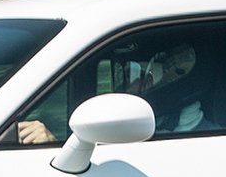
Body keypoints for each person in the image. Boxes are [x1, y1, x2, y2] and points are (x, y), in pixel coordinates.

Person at [15, 42, 202, 145]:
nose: (134, 81)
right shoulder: (129, 131)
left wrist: (51, 145)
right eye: (128, 73)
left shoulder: (199, 140)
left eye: (178, 70)